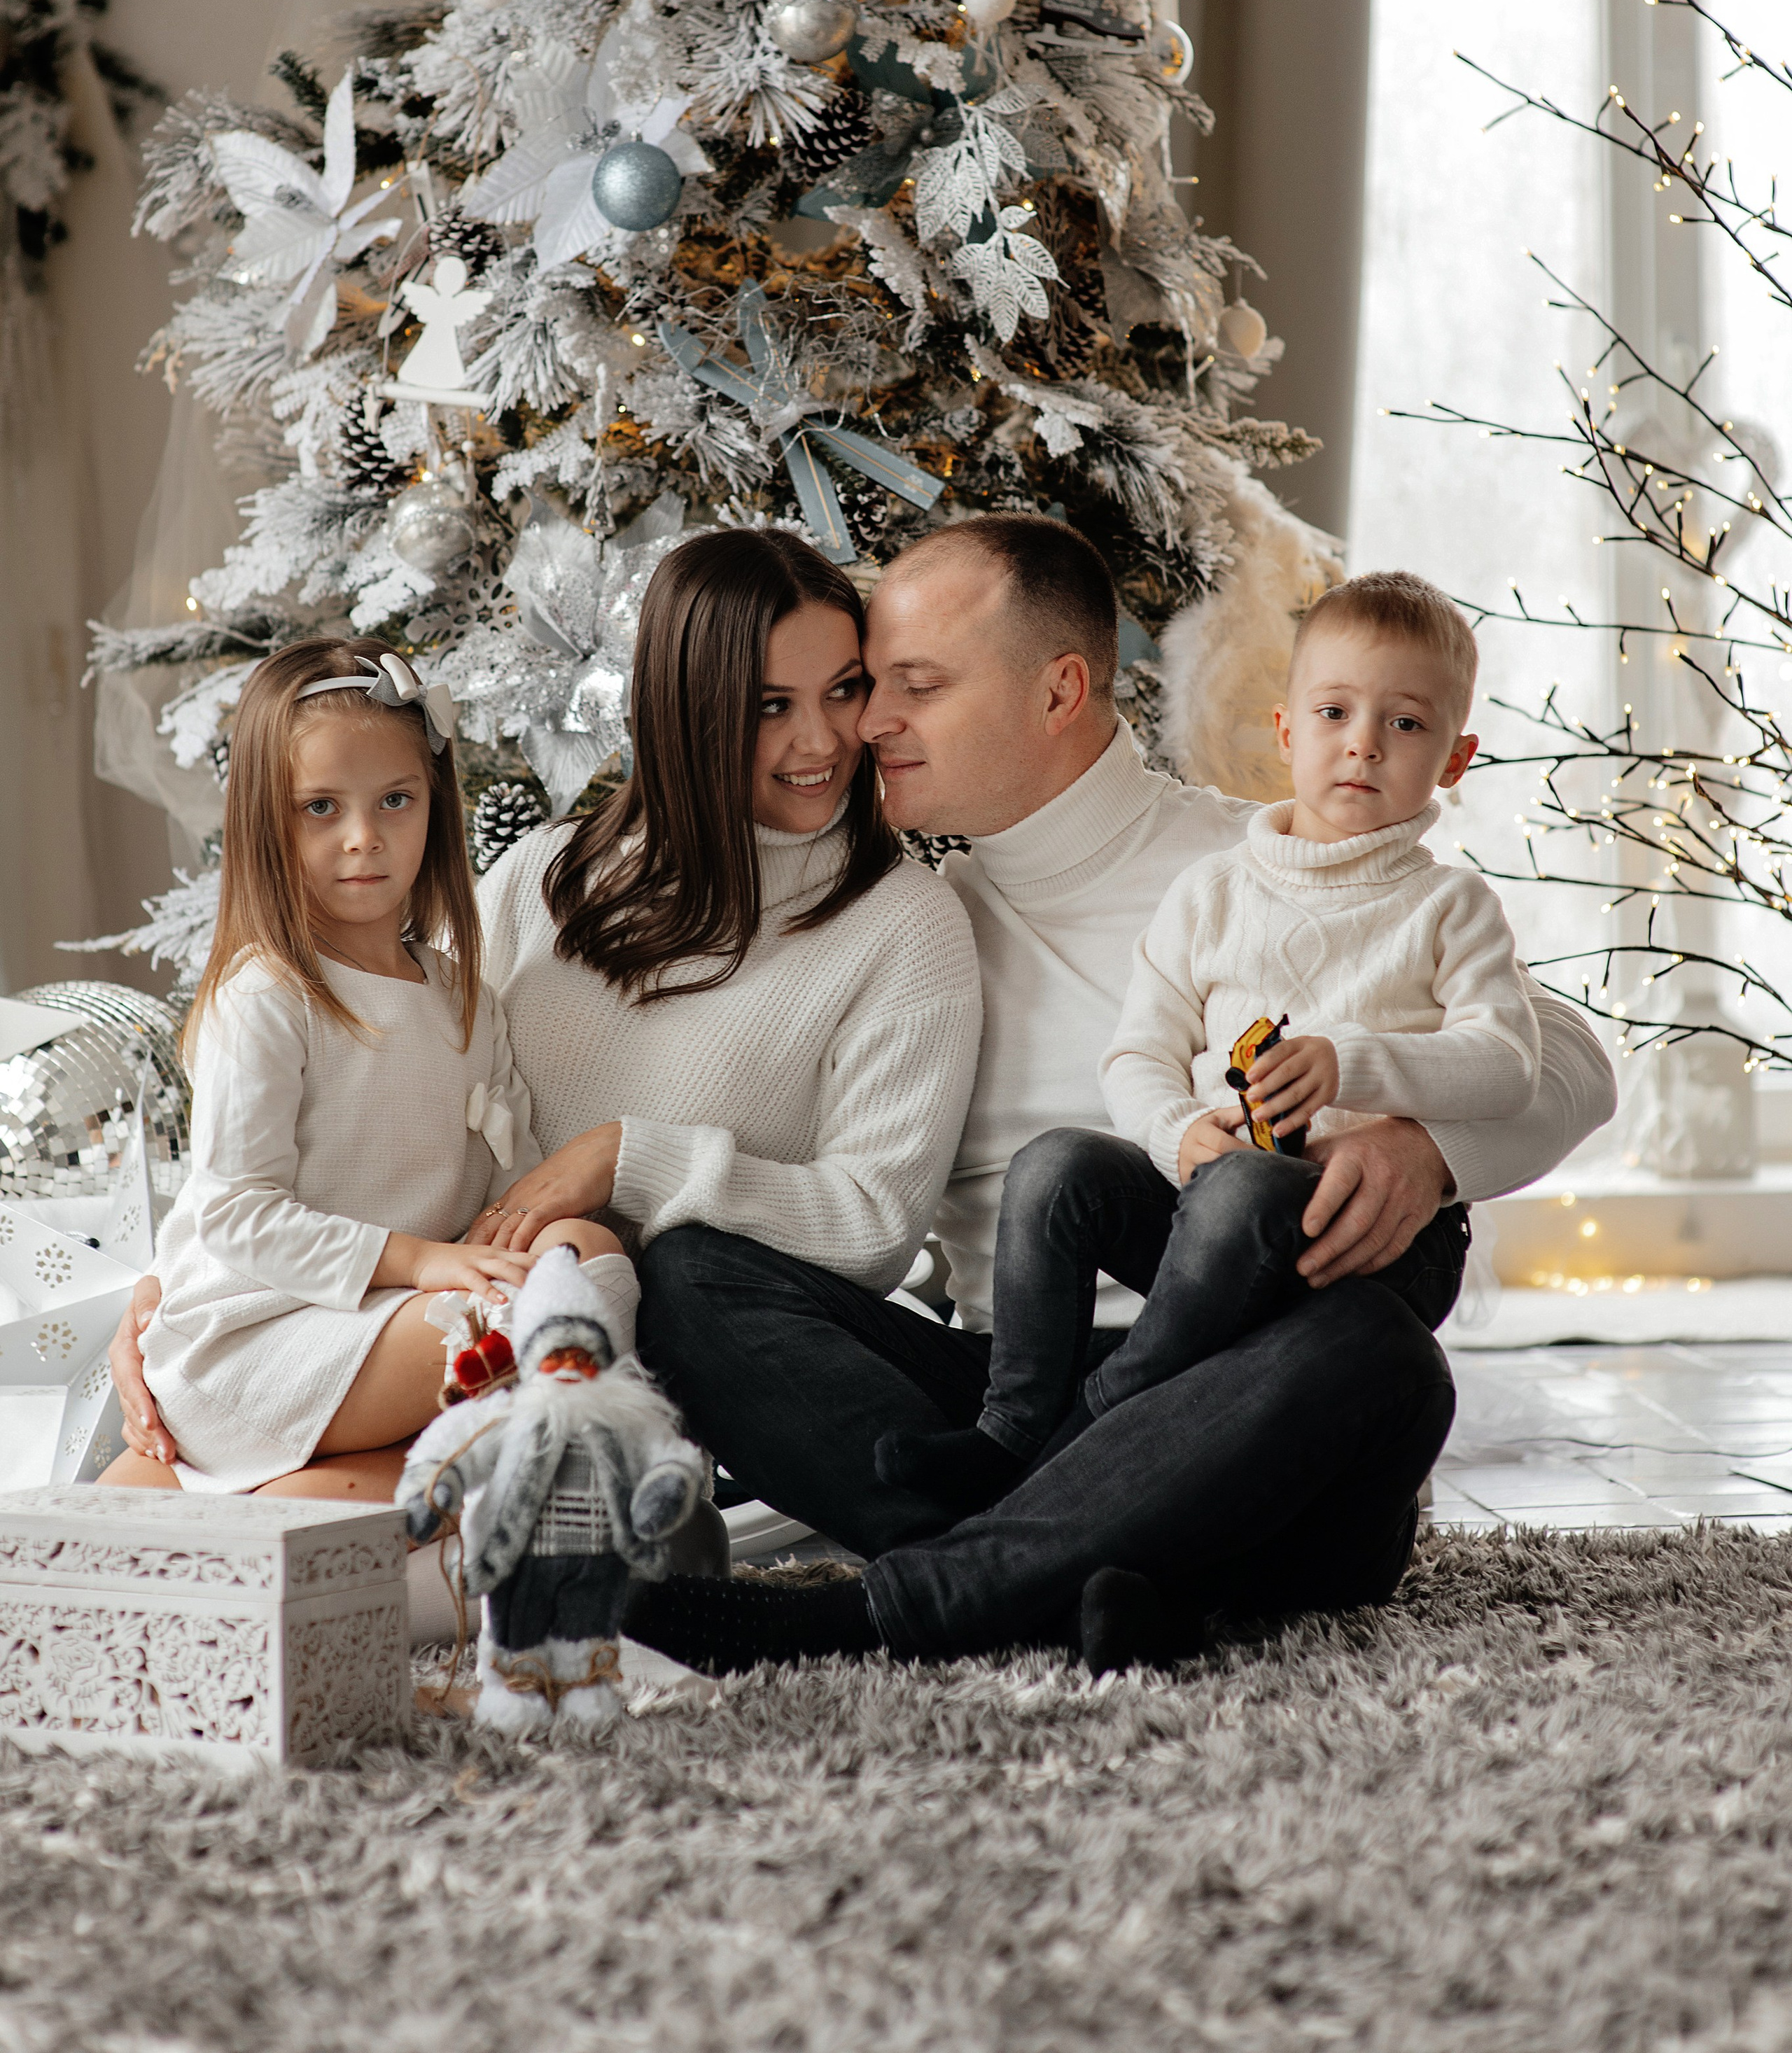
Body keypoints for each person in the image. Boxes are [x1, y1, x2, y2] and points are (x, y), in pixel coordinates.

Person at [619, 514, 1616, 1676]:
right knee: (688, 1276)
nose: (868, 723)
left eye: (916, 686)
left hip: (1245, 1389)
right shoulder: (897, 922)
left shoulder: (1253, 864)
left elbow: (1569, 1052)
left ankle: (934, 1594)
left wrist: (1426, 1148)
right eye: (867, 686)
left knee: (1379, 1353)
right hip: (1014, 1407)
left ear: (1058, 690)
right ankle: (1111, 1569)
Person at [108, 531, 983, 1497]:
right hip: (409, 1321)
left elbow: (874, 1226)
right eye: (769, 705)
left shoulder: (904, 924)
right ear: (686, 708)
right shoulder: (545, 877)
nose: (819, 741)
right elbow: (339, 1115)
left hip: (596, 1357)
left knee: (317, 1528)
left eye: (844, 690)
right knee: (102, 1529)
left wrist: (628, 1157)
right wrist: (169, 1289)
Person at [879, 571, 1541, 1513]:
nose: (1362, 743)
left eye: (1404, 723)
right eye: (1334, 712)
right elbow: (1137, 1057)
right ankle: (1011, 1428)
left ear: (1455, 758)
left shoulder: (1450, 905)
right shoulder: (1213, 888)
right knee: (1058, 1164)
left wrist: (1353, 1066)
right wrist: (1180, 1133)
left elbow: (1511, 1061)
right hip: (1213, 1213)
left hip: (1371, 1244)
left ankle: (1098, 1419)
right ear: (1286, 729)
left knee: (1244, 1188)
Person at [102, 640, 626, 1500]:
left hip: (383, 1321)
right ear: (266, 822)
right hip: (256, 1339)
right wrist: (421, 1261)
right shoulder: (267, 995)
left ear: (433, 803)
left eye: (395, 799)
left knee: (584, 1256)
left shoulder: (464, 996)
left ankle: (401, 1488)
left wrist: (523, 1242)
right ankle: (463, 1480)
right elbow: (234, 1214)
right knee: (525, 1311)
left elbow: (514, 1190)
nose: (364, 837)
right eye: (320, 807)